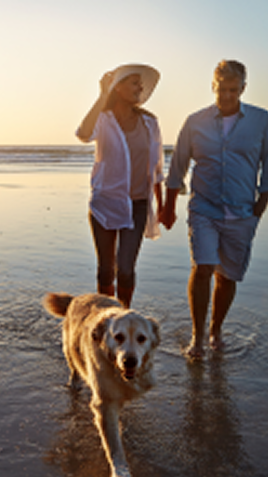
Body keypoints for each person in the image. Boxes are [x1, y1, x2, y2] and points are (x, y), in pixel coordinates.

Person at [159, 60, 268, 358]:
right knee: (202, 268)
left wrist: (256, 213)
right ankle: (197, 338)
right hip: (204, 209)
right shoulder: (195, 121)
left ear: (243, 88)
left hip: (242, 213)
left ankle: (216, 330)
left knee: (226, 277)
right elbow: (177, 167)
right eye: (221, 89)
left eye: (233, 90)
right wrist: (169, 207)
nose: (226, 95)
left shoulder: (261, 120)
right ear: (213, 86)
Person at [76, 64, 164, 308]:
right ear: (119, 87)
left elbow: (156, 168)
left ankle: (124, 316)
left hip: (137, 204)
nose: (140, 87)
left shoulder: (150, 122)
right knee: (106, 268)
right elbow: (83, 134)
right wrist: (102, 96)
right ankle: (105, 318)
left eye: (140, 83)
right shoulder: (103, 120)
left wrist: (164, 205)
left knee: (125, 268)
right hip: (106, 202)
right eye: (134, 82)